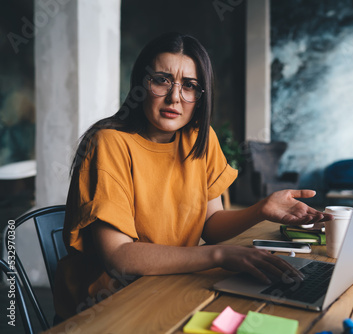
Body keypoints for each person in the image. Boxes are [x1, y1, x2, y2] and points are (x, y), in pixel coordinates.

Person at [53, 32, 330, 320]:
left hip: (169, 283)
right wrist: (219, 255)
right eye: (161, 80)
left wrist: (261, 209)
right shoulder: (108, 143)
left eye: (189, 85)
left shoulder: (201, 139)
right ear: (141, 84)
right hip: (110, 303)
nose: (175, 96)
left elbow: (210, 224)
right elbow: (118, 256)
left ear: (200, 96)